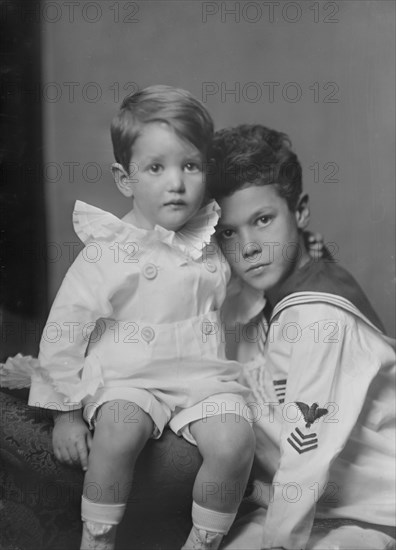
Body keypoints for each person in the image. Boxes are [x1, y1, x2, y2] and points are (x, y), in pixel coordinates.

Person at [1, 86, 258, 550]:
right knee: (118, 431)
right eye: (156, 168)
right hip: (128, 376)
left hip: (203, 378)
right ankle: (99, 537)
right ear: (125, 179)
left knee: (235, 440)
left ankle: (203, 541)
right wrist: (65, 412)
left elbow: (240, 300)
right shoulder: (111, 249)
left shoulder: (211, 242)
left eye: (191, 166)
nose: (176, 183)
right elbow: (65, 329)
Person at [208, 124, 396, 550]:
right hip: (303, 504)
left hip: (376, 513)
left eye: (263, 220)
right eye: (229, 232)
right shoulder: (262, 295)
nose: (249, 247)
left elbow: (306, 453)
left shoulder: (318, 313)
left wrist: (278, 543)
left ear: (301, 212)